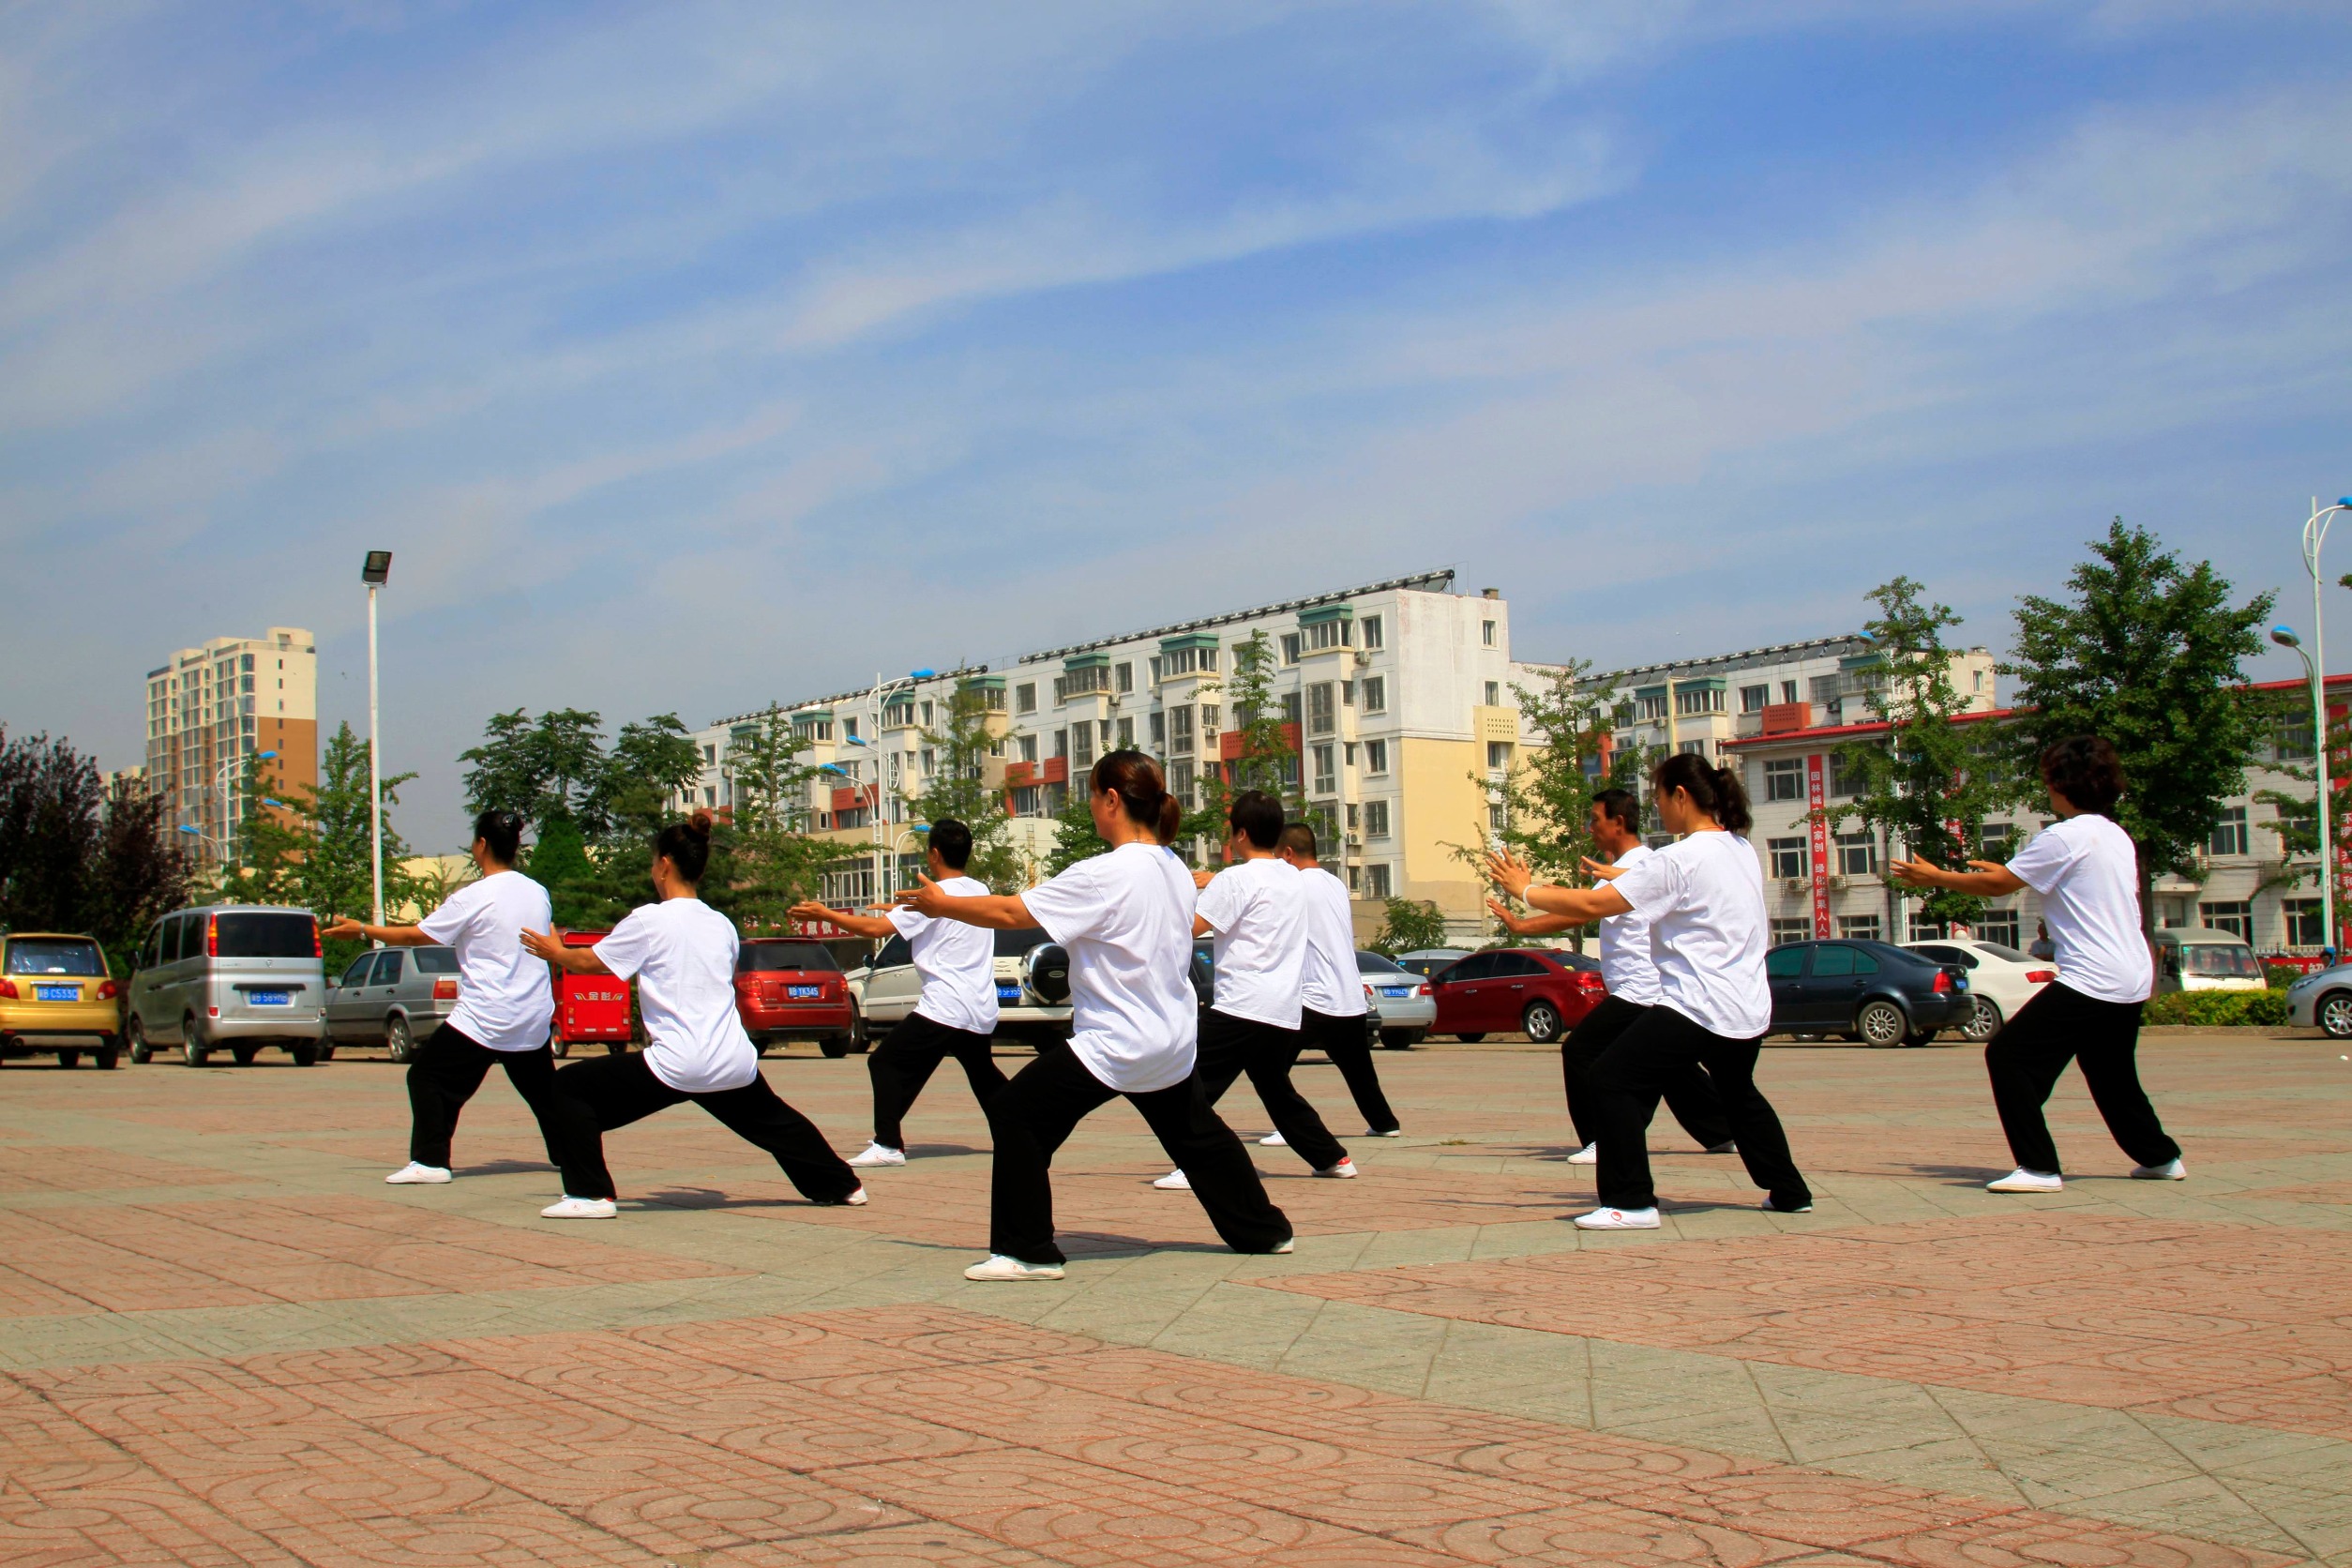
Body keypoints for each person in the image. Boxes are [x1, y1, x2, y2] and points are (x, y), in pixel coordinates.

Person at [896, 751, 1292, 1281]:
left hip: (1118, 1041)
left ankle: (1027, 1251)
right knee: (1198, 1135)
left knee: (1017, 1114)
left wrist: (940, 905)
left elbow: (1015, 912)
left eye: (1090, 795)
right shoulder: (1173, 867)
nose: (1088, 806)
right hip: (1171, 1037)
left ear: (1111, 800)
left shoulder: (1106, 874)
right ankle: (1264, 1230)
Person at [1487, 753, 1811, 1229]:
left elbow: (1595, 904)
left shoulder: (1681, 857)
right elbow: (1680, 893)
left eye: (1659, 796)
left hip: (1698, 1004)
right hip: (1745, 1003)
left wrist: (1527, 889)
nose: (1656, 807)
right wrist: (1622, 879)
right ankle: (1789, 1192)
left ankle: (1632, 1202)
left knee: (1610, 1077)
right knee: (1738, 1093)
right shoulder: (1740, 848)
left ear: (1681, 795)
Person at [520, 811, 866, 1218]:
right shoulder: (721, 924)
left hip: (678, 1062)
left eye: (653, 862)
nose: (653, 870)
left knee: (570, 1088)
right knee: (776, 1122)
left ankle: (589, 1194)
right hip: (731, 1059)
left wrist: (555, 952)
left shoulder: (649, 920)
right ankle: (843, 1186)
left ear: (664, 864)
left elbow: (593, 963)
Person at [1892, 735, 2183, 1192]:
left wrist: (1935, 878)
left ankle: (2038, 1167)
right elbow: (2019, 876)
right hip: (2131, 974)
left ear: (2062, 784)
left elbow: (1999, 888)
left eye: (2049, 780)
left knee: (2009, 1058)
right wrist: (1999, 873)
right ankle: (2161, 1158)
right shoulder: (2113, 833)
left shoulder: (2064, 835)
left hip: (2094, 976)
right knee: (2112, 1073)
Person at [1486, 788, 1733, 1165]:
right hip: (1644, 991)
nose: (1590, 828)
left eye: (1595, 820)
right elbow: (1582, 907)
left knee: (1582, 1051)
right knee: (1672, 1068)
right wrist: (1525, 922)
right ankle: (1723, 1130)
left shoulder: (1644, 865)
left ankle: (1601, 1139)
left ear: (1618, 823)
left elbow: (1583, 909)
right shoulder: (1625, 868)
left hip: (1642, 991)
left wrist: (1528, 897)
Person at [324, 809, 562, 1186]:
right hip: (531, 1013)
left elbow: (419, 935)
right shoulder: (537, 891)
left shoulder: (474, 896)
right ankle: (570, 1152)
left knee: (427, 1077)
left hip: (487, 1015)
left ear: (481, 845)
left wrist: (362, 930)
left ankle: (430, 1161)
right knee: (544, 1093)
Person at [1153, 792, 1354, 1189]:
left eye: (1230, 829)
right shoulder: (1292, 878)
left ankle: (1197, 1163)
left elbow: (1190, 930)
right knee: (1276, 1088)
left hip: (1242, 1005)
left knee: (1192, 1085)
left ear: (1241, 833)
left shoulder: (1235, 879)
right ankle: (1332, 1158)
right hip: (1283, 1006)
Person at [789, 818, 1007, 1168]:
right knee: (984, 1076)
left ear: (934, 854)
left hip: (946, 1005)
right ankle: (1021, 1132)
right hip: (979, 1006)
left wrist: (826, 913)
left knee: (884, 1062)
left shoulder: (929, 899)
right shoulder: (980, 891)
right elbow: (942, 917)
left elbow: (875, 929)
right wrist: (898, 910)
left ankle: (888, 1144)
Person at [1272, 821, 1399, 1139]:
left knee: (1271, 1066)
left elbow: (1258, 891)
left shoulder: (1297, 885)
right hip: (1350, 998)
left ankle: (1293, 1128)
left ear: (1287, 854)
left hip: (1315, 999)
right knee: (1360, 1072)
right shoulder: (1335, 884)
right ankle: (1385, 1124)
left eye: (1276, 857)